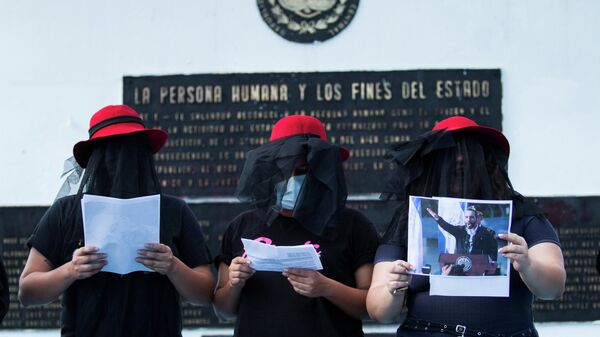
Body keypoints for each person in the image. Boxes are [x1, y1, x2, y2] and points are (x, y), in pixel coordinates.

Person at [18, 105, 214, 337]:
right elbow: (27, 291)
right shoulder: (67, 211)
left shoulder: (174, 211)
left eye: (131, 152)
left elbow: (206, 293)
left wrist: (172, 266)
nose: (122, 163)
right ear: (96, 159)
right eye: (111, 152)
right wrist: (71, 270)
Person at [366, 116, 565, 337]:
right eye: (450, 159)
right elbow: (378, 311)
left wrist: (527, 265)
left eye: (468, 157)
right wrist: (393, 287)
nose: (460, 160)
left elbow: (554, 288)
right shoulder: (410, 220)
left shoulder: (522, 216)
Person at [213, 115, 379, 337]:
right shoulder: (243, 225)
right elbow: (223, 310)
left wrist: (326, 288)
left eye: (302, 171)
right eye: (284, 170)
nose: (292, 180)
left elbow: (372, 306)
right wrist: (235, 283)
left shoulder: (353, 225)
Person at [426, 206, 498, 262]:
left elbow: (492, 250)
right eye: (466, 217)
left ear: (477, 218)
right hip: (461, 265)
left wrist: (493, 261)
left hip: (478, 267)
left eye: (472, 217)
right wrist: (437, 218)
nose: (468, 220)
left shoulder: (488, 233)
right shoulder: (460, 231)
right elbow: (447, 226)